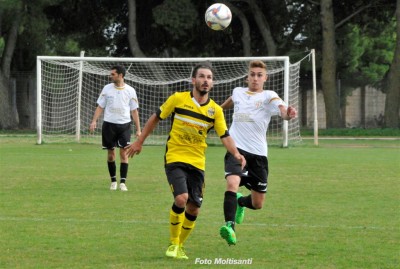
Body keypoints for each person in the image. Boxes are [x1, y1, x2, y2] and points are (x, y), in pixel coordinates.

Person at [126, 62, 246, 259]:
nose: (205, 80)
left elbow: (225, 135)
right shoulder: (178, 99)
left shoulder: (215, 110)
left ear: (212, 83)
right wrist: (139, 141)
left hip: (197, 162)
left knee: (194, 208)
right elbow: (156, 118)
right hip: (175, 157)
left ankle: (180, 245)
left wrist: (236, 153)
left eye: (209, 77)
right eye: (201, 76)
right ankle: (173, 243)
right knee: (181, 198)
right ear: (193, 80)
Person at [219, 60, 297, 245]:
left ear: (265, 78)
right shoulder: (237, 91)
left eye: (259, 75)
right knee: (232, 183)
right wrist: (215, 111)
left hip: (259, 155)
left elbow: (282, 111)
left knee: (257, 203)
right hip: (236, 149)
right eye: (252, 74)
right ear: (247, 77)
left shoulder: (269, 96)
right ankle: (229, 227)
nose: (255, 78)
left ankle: (241, 203)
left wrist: (289, 114)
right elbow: (229, 103)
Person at [89, 65, 141, 191]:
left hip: (124, 125)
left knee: (124, 153)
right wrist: (94, 121)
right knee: (111, 154)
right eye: (110, 74)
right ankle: (113, 181)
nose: (110, 76)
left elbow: (134, 111)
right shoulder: (107, 89)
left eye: (113, 74)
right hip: (109, 125)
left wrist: (138, 129)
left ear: (120, 75)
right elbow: (100, 106)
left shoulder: (130, 90)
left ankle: (123, 182)